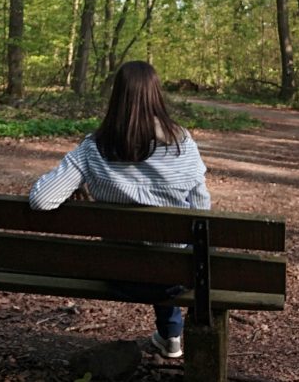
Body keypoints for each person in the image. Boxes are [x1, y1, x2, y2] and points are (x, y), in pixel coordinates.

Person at [29, 60, 211, 358]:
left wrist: (77, 186)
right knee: (170, 251)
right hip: (173, 277)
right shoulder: (182, 144)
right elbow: (202, 210)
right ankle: (171, 335)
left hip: (117, 274)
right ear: (156, 95)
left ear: (116, 96)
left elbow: (42, 199)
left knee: (147, 251)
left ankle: (170, 334)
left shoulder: (93, 148)